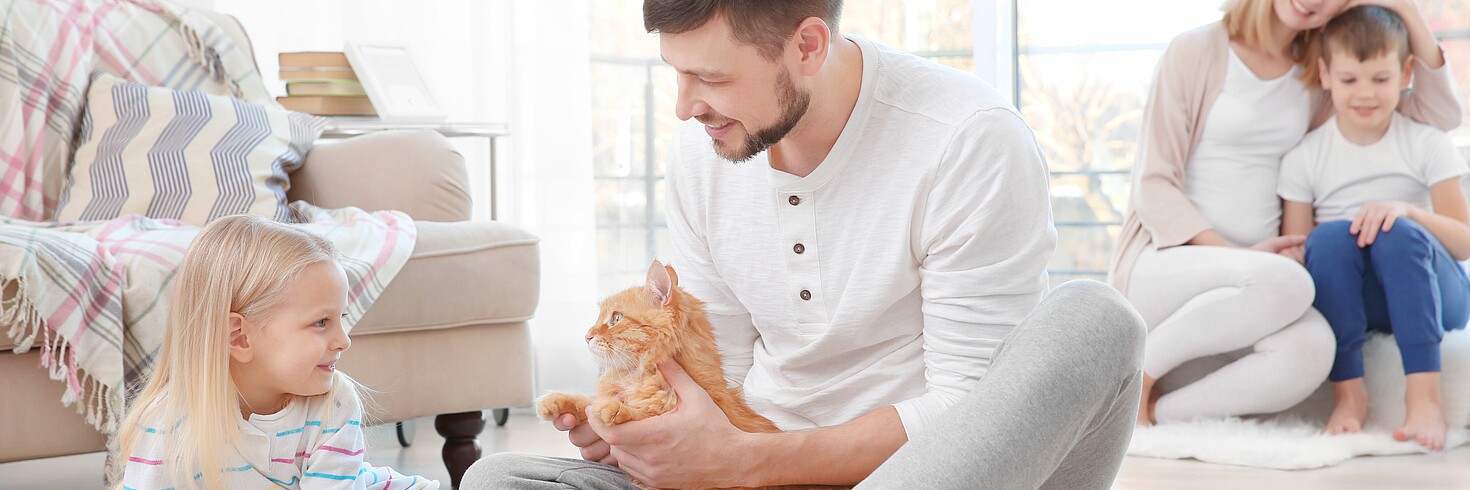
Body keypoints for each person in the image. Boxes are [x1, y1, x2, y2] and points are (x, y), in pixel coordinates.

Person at [463, 1, 1146, 488]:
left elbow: (966, 412)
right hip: (745, 466)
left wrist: (742, 463)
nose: (684, 105)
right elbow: (714, 374)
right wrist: (647, 440)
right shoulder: (703, 154)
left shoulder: (966, 140)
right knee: (498, 478)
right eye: (677, 73)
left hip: (921, 474)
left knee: (1097, 320)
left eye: (712, 77)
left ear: (808, 46)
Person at [1111, 0, 1463, 426]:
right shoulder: (1197, 50)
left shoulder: (1317, 67)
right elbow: (1152, 186)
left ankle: (1158, 416)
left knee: (1314, 348)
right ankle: (1136, 375)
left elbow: (1439, 117)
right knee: (1289, 281)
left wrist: (1403, 9)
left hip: (1262, 280)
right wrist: (1237, 256)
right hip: (1171, 260)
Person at [108, 215, 437, 489]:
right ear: (239, 338)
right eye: (321, 322)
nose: (343, 341)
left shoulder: (333, 402)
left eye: (341, 319)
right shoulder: (167, 425)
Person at [1278, 5, 1469, 452]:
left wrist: (1408, 212)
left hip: (1437, 292)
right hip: (1359, 297)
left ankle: (1424, 396)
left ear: (1405, 73)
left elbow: (1464, 242)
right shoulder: (1305, 158)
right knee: (1326, 238)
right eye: (1349, 80)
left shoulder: (1426, 142)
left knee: (1394, 232)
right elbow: (1300, 248)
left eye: (1380, 80)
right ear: (1325, 75)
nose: (1365, 94)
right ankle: (1349, 394)